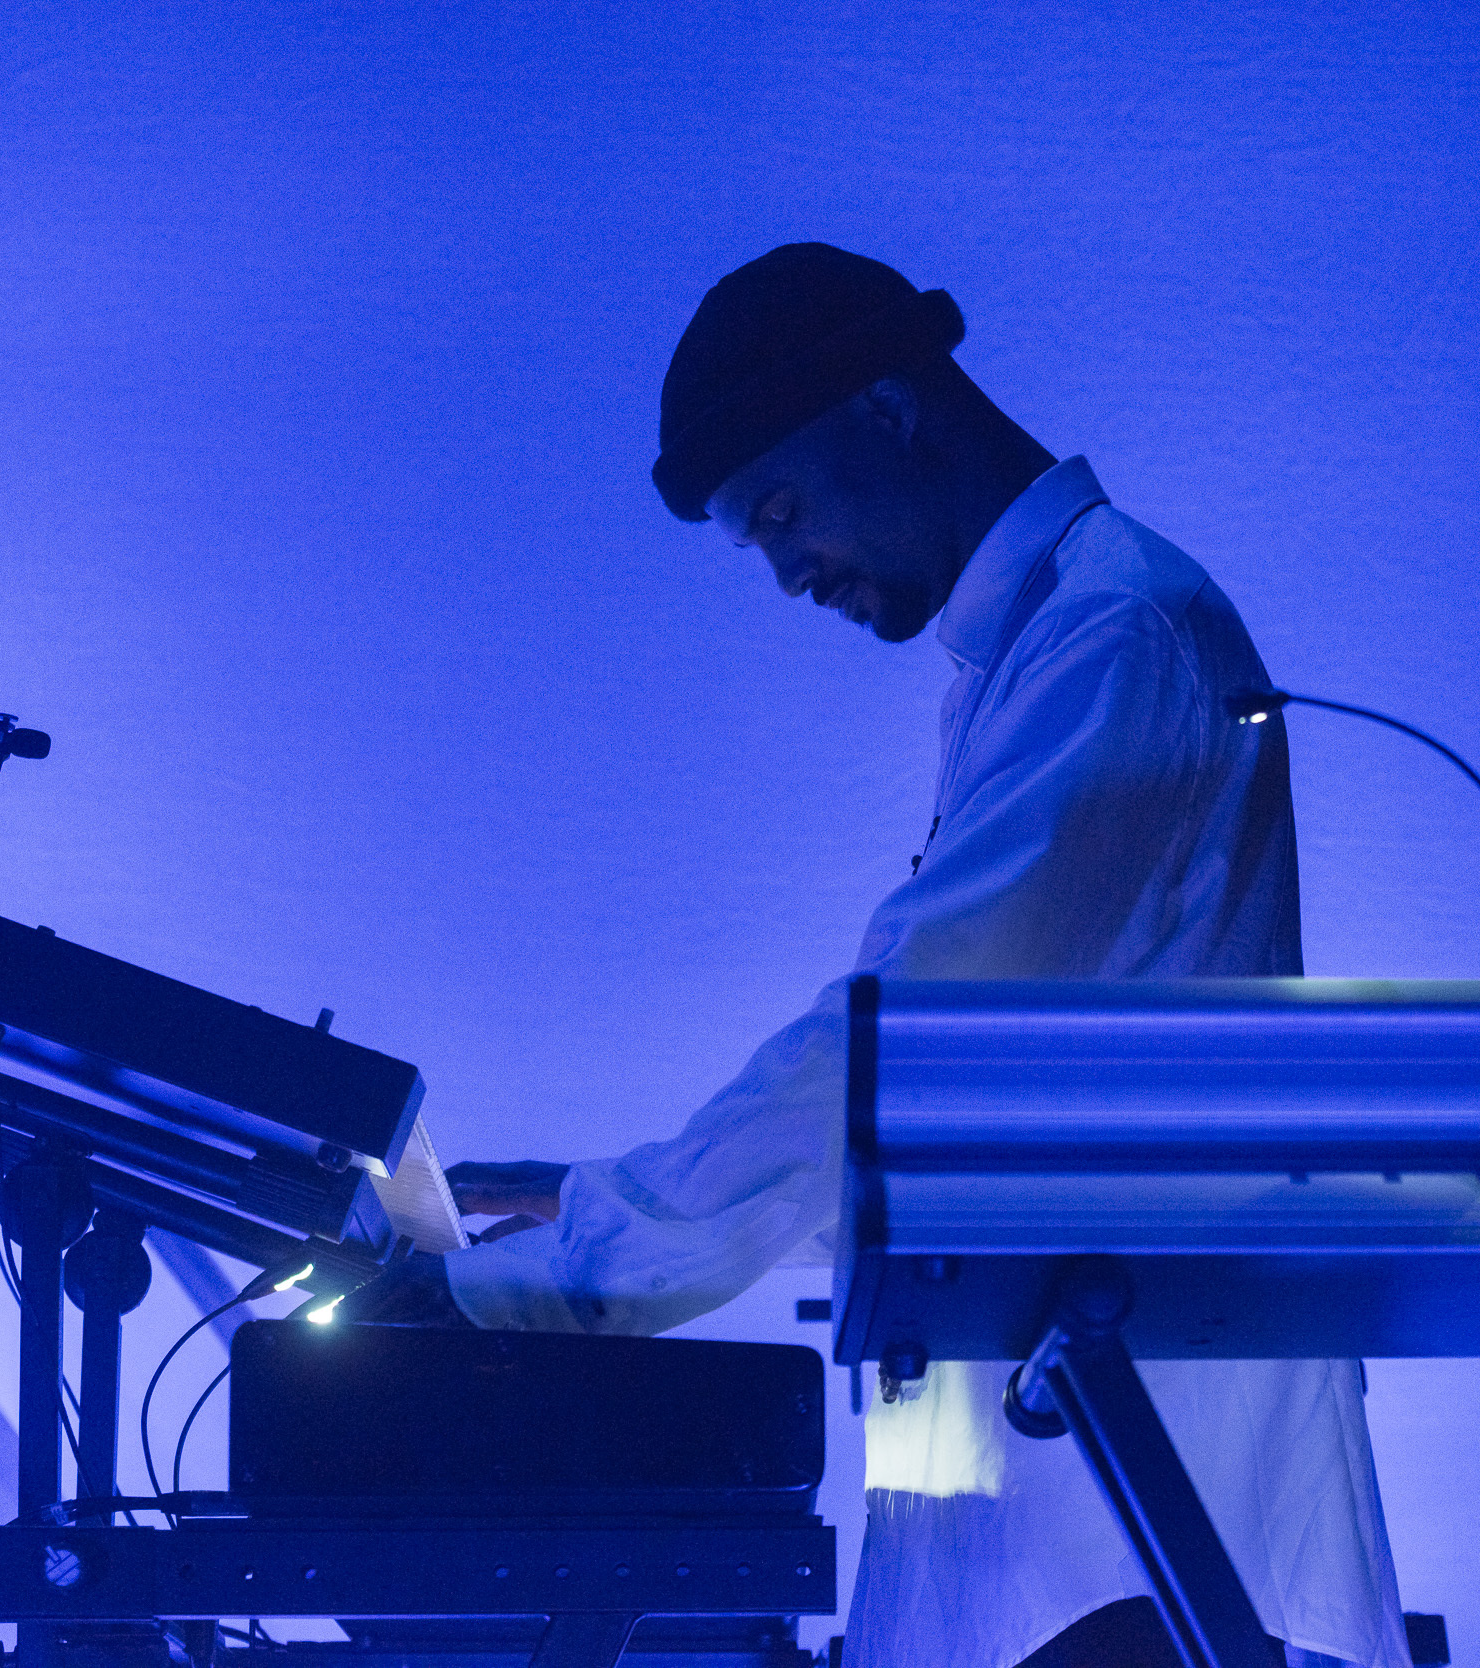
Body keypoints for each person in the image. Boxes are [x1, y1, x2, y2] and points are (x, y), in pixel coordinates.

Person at [340, 243, 1414, 1668]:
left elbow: (898, 1048)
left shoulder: (1118, 637)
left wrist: (573, 1256)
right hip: (1075, 1485)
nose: (787, 571)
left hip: (1128, 1518)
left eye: (782, 511)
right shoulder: (1041, 647)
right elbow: (948, 1092)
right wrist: (605, 1205)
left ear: (891, 412)